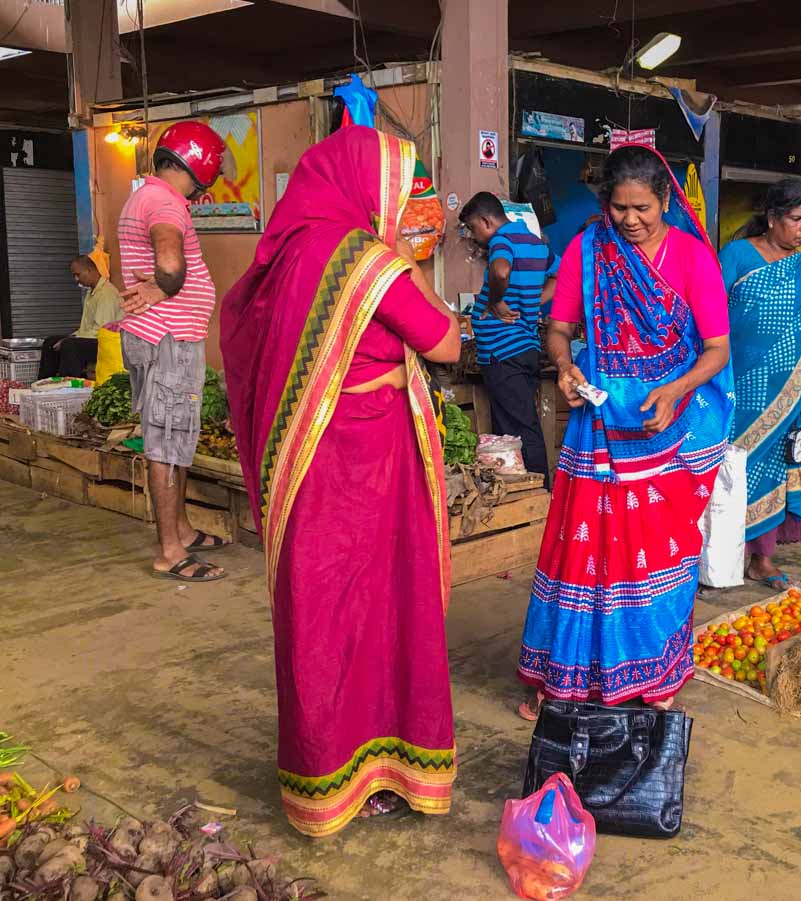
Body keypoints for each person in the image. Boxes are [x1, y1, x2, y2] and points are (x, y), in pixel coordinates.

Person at [221, 126, 461, 836]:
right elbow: (444, 341)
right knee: (388, 607)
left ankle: (323, 777)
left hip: (309, 470)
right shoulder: (362, 259)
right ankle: (388, 770)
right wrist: (410, 265)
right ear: (369, 186)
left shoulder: (293, 249)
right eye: (402, 185)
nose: (408, 204)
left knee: (321, 614)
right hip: (370, 465)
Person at [516, 144, 733, 718]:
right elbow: (559, 327)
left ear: (666, 200)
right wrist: (564, 366)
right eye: (619, 208)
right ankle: (568, 678)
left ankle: (650, 671)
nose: (631, 220)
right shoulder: (589, 248)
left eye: (643, 208)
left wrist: (676, 388)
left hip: (668, 424)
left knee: (655, 551)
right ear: (605, 205)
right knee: (582, 547)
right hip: (599, 425)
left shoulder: (691, 257)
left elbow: (716, 350)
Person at [720, 179, 801, 589]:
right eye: (796, 219)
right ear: (772, 218)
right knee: (733, 470)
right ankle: (723, 555)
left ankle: (762, 558)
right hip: (739, 387)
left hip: (790, 392)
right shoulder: (737, 255)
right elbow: (710, 316)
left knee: (777, 469)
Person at [117, 120, 229, 583]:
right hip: (167, 340)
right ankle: (168, 550)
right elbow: (169, 261)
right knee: (165, 441)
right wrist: (167, 287)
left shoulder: (146, 194)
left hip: (162, 336)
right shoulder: (164, 203)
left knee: (176, 435)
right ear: (201, 164)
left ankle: (180, 530)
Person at [458, 191, 558, 486]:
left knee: (520, 428)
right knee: (511, 429)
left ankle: (540, 491)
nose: (476, 238)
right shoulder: (536, 243)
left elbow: (500, 271)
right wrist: (536, 300)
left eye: (474, 229)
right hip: (523, 348)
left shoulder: (503, 240)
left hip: (505, 351)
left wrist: (496, 302)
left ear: (486, 221)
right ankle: (520, 490)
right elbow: (563, 274)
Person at [38, 255, 121, 380]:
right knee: (51, 342)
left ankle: (68, 388)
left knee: (70, 346)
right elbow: (85, 329)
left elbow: (101, 330)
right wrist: (70, 336)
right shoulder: (91, 293)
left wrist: (69, 340)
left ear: (89, 270)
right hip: (93, 339)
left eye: (78, 274)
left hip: (108, 342)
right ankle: (44, 384)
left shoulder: (106, 294)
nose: (76, 279)